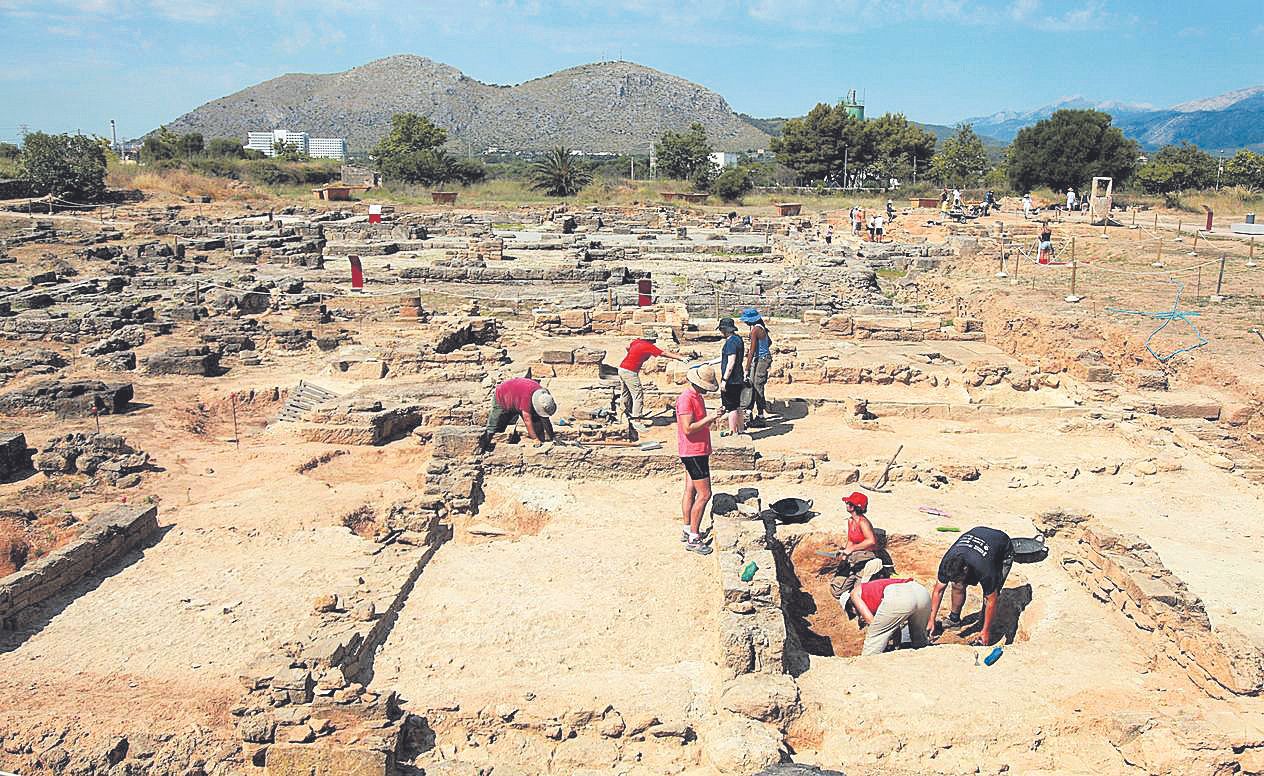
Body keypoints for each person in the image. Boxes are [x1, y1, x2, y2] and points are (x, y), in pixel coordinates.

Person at [928, 526, 1014, 647]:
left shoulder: (985, 570)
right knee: (957, 586)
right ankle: (954, 620)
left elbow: (991, 600)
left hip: (1002, 547)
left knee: (990, 594)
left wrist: (986, 631)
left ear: (965, 569)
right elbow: (938, 590)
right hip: (976, 534)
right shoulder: (947, 562)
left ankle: (984, 627)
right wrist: (931, 619)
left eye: (959, 577)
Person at [676, 364, 721, 555]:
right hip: (694, 452)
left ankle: (688, 528)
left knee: (690, 489)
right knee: (705, 494)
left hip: (694, 451)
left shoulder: (696, 397)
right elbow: (688, 428)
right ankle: (694, 537)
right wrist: (710, 418)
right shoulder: (687, 400)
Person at [617, 331, 687, 424]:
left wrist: (633, 356)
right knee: (638, 395)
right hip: (630, 371)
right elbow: (664, 353)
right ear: (652, 340)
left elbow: (627, 347)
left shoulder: (637, 341)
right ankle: (636, 418)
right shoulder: (648, 346)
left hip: (622, 368)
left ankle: (622, 413)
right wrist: (680, 358)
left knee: (625, 393)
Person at [851, 578, 932, 656]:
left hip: (899, 594)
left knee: (873, 640)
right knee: (920, 641)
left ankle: (866, 664)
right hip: (921, 592)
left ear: (851, 605)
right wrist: (896, 647)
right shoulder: (873, 593)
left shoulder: (854, 593)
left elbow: (870, 621)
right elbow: (894, 624)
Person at [828, 491, 884, 602]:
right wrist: (845, 555)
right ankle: (855, 576)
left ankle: (871, 577)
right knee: (837, 591)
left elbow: (871, 541)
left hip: (867, 557)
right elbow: (851, 541)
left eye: (849, 503)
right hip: (855, 559)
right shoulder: (850, 521)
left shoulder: (863, 522)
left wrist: (852, 549)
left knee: (859, 596)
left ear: (855, 507)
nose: (846, 504)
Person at [487, 377, 557, 444]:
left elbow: (545, 417)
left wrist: (552, 435)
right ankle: (486, 442)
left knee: (536, 421)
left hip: (517, 397)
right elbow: (527, 420)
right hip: (502, 395)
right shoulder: (527, 399)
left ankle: (541, 437)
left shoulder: (543, 394)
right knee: (496, 426)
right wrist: (535, 439)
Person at [740, 308, 772, 426]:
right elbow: (769, 342)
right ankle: (750, 411)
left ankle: (760, 415)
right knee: (752, 385)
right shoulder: (761, 327)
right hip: (761, 358)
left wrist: (746, 369)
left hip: (762, 359)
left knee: (757, 386)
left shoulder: (755, 330)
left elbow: (752, 351)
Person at [718, 317, 745, 435]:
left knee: (731, 407)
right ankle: (741, 429)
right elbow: (727, 357)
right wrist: (712, 362)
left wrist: (724, 380)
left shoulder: (730, 343)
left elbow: (731, 362)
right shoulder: (738, 339)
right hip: (738, 377)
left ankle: (733, 431)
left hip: (731, 380)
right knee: (737, 405)